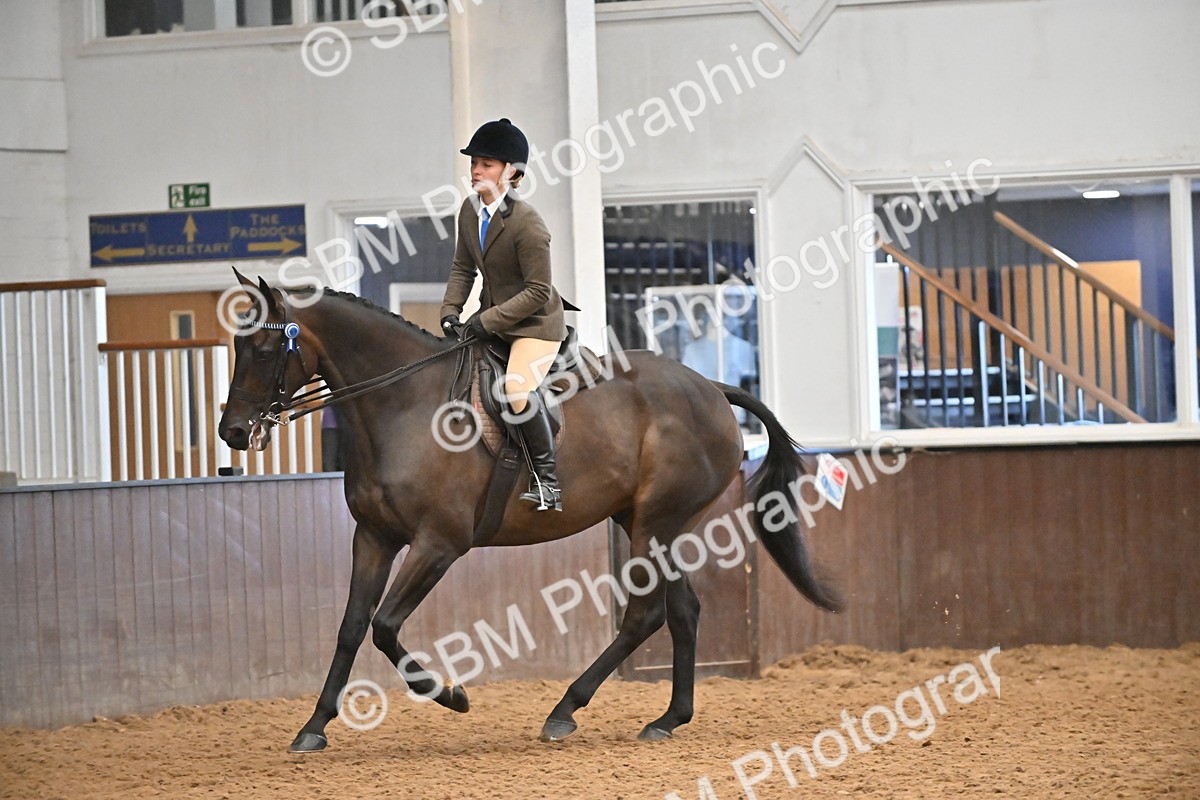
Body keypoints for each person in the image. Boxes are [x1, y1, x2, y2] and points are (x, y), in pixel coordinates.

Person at [439, 118, 573, 512]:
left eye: (487, 164)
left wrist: (486, 321)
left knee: (515, 389)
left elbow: (538, 291)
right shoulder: (469, 211)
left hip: (535, 325)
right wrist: (450, 311)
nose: (476, 171)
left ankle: (548, 481)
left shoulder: (528, 224)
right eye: (474, 163)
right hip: (492, 319)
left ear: (512, 172)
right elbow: (463, 267)